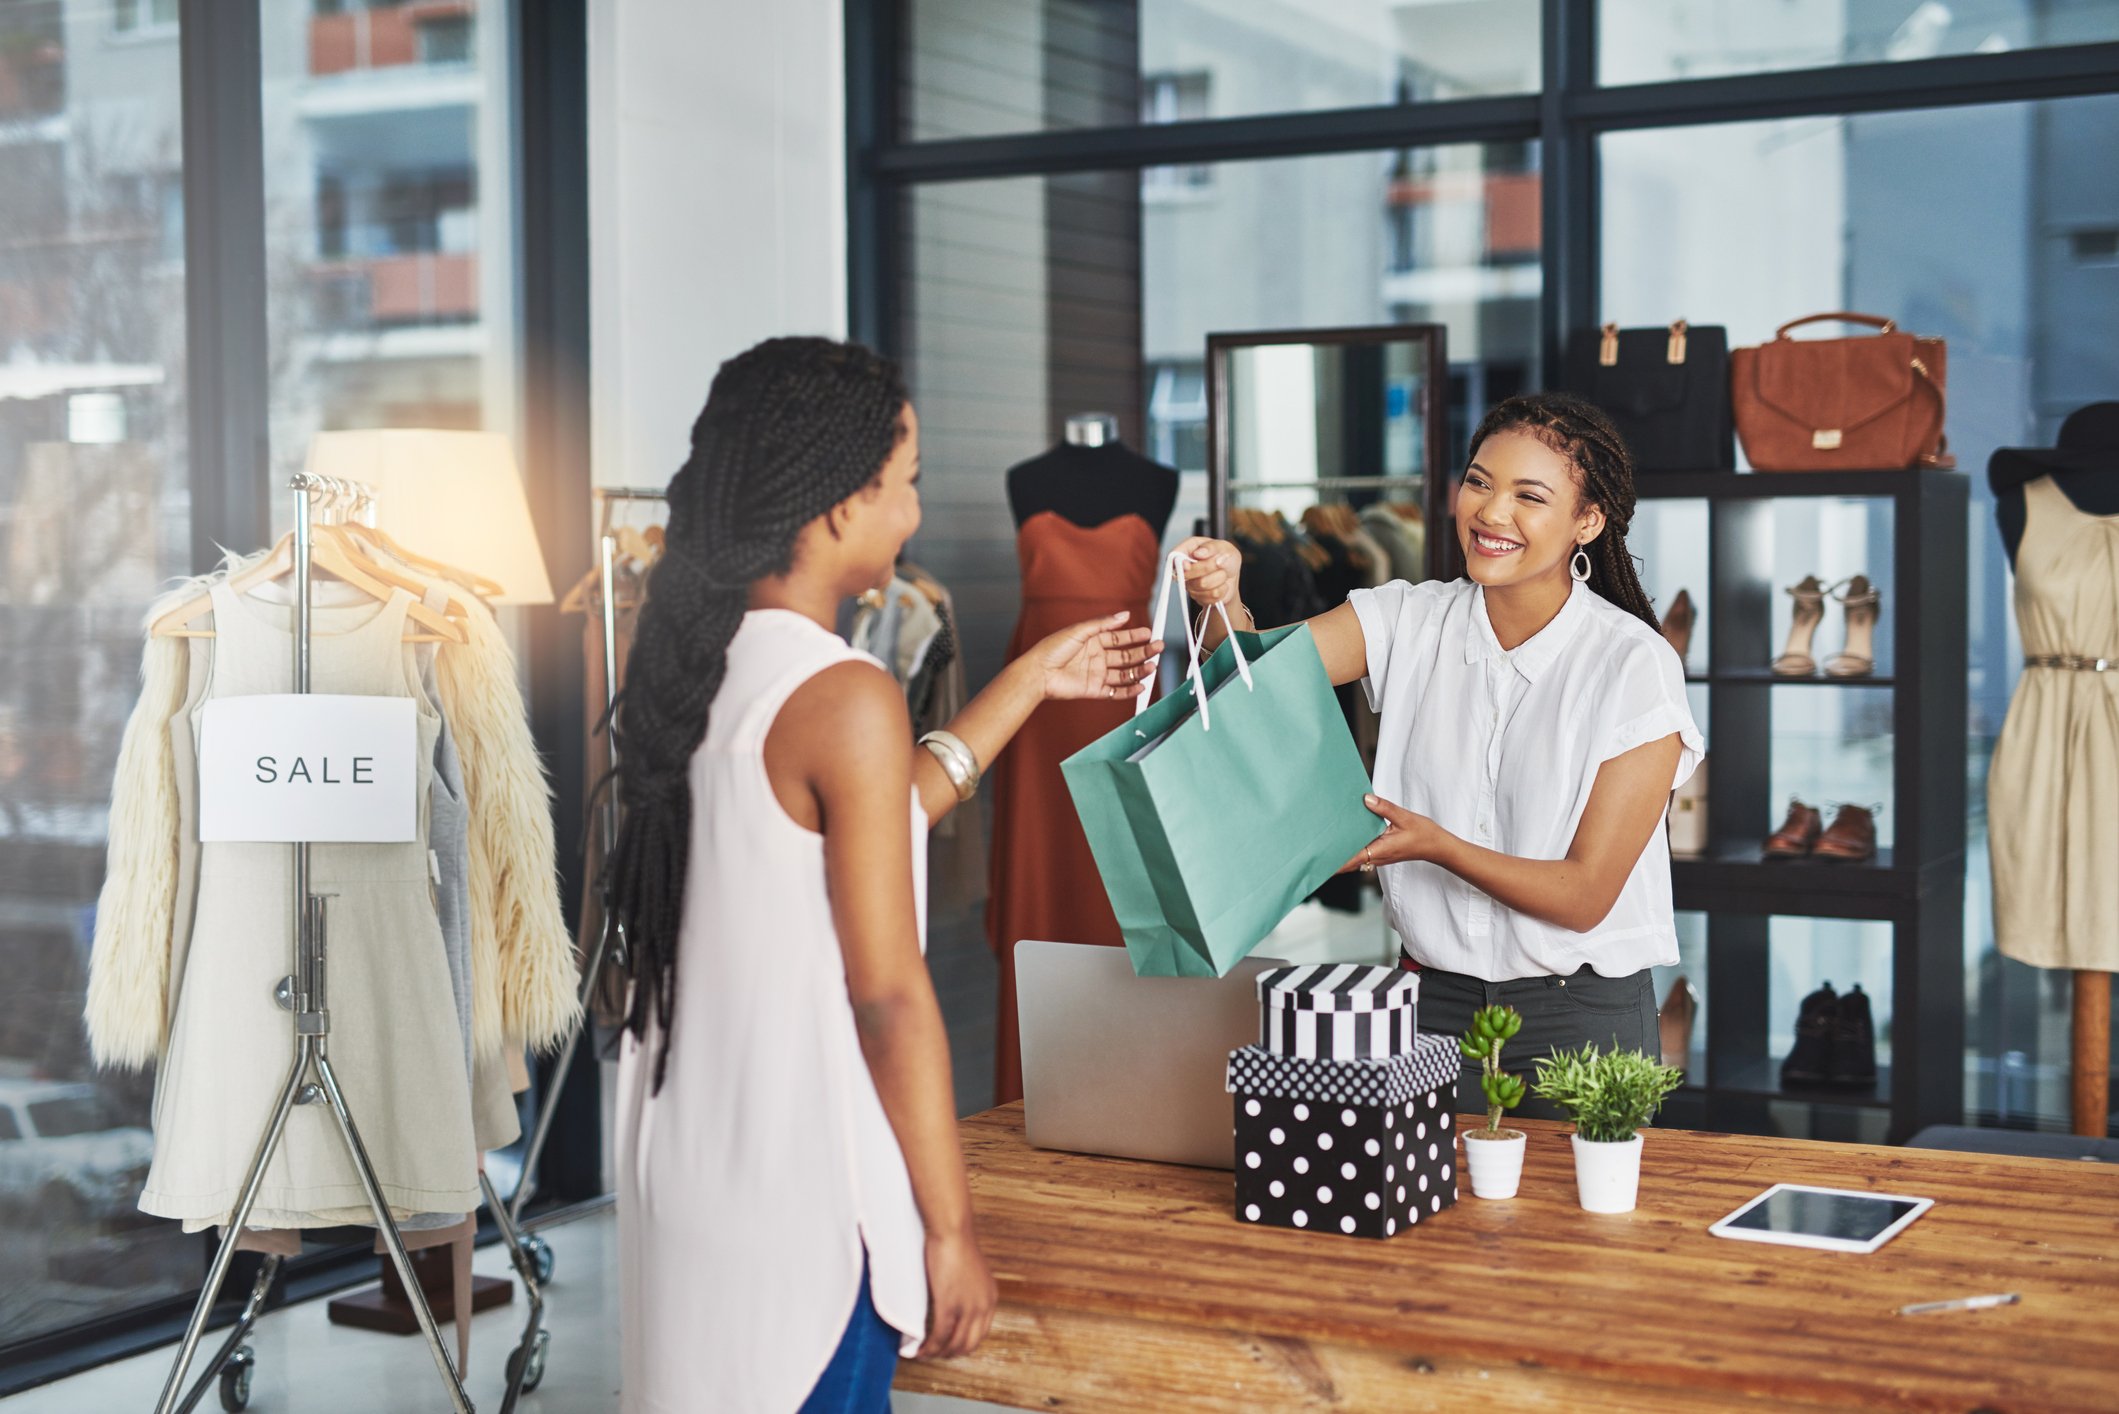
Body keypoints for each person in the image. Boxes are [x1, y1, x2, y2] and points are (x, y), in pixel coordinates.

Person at [608, 337, 1160, 1414]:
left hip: (690, 1173)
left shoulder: (694, 665)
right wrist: (949, 1229)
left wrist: (1028, 681)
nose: (913, 514)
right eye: (903, 486)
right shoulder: (842, 692)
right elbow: (888, 998)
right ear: (833, 509)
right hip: (804, 1199)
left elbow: (889, 806)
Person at [1177, 392, 1701, 1114]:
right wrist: (1220, 599)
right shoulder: (1403, 619)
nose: (1490, 513)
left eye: (1528, 495)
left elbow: (1585, 896)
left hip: (1580, 1019)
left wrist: (1436, 847)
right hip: (1427, 1007)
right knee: (1424, 1224)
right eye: (1479, 482)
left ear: (1587, 520)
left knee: (1578, 1229)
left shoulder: (1631, 664)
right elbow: (1248, 678)